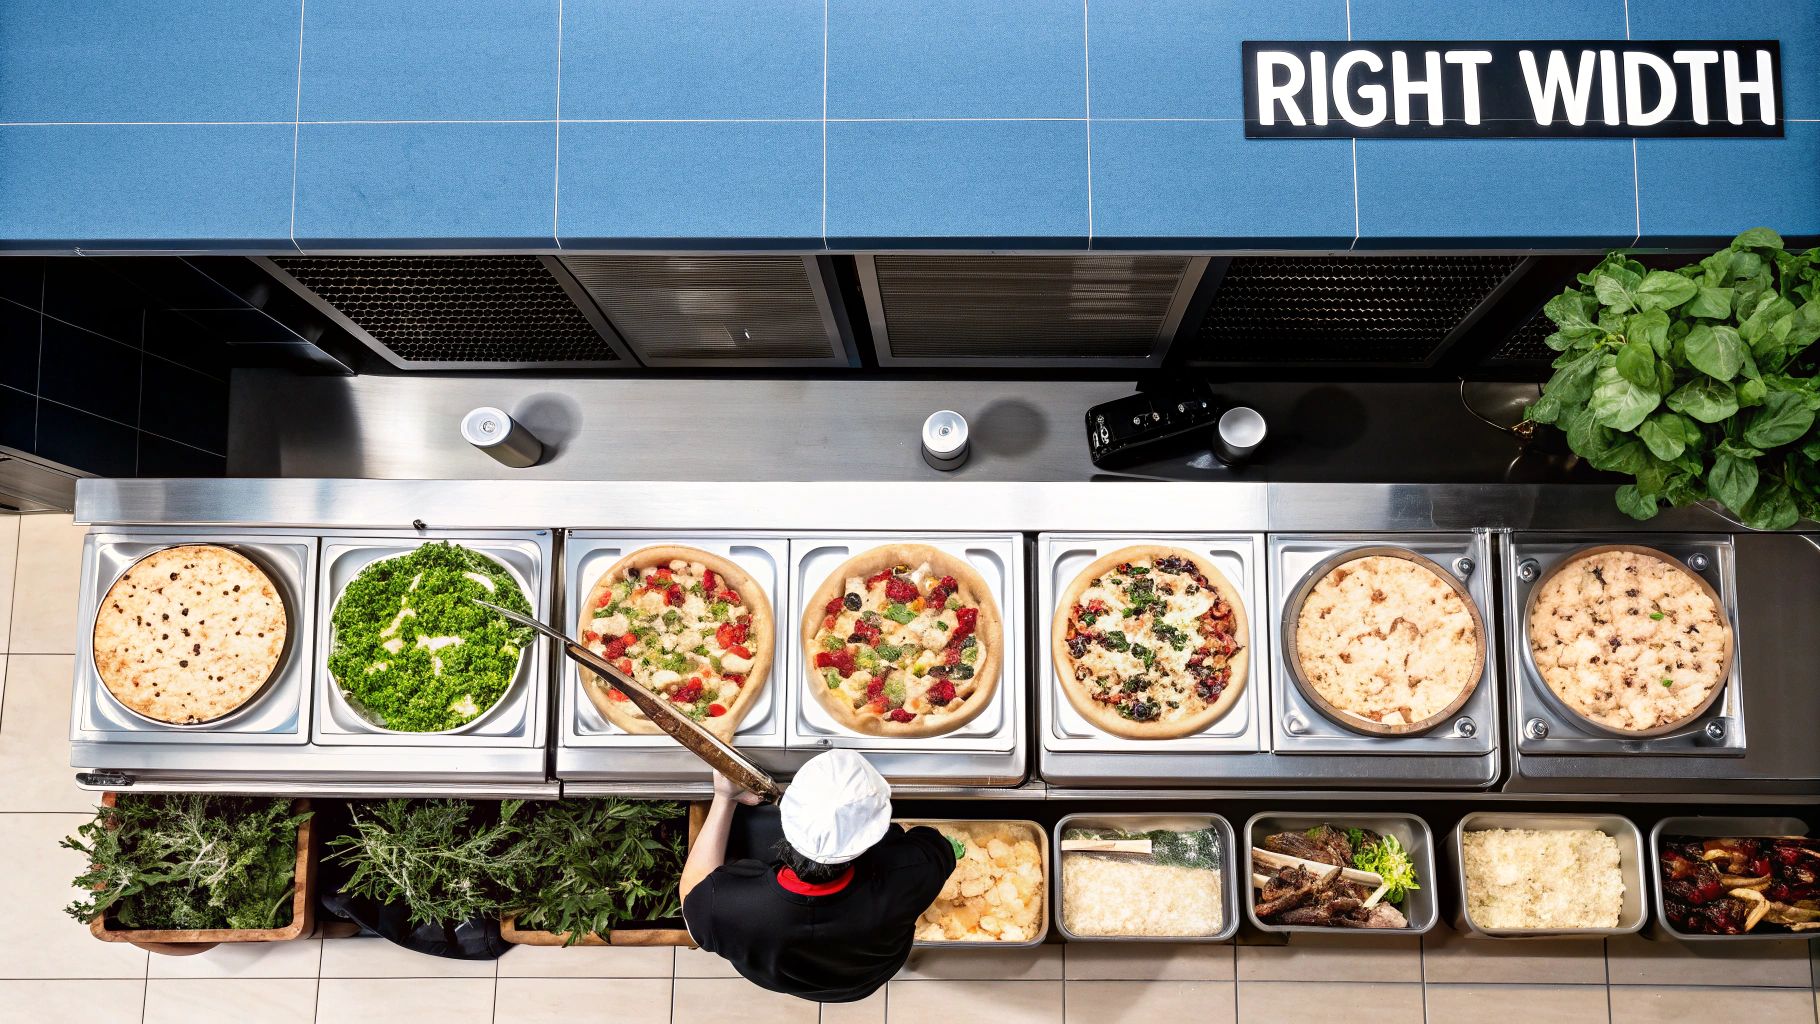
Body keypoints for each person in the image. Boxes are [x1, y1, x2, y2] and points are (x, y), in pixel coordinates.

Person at [679, 749, 957, 1003]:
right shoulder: (909, 872)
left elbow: (692, 896)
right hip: (866, 978)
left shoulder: (728, 908)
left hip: (788, 979)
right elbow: (934, 843)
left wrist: (724, 798)